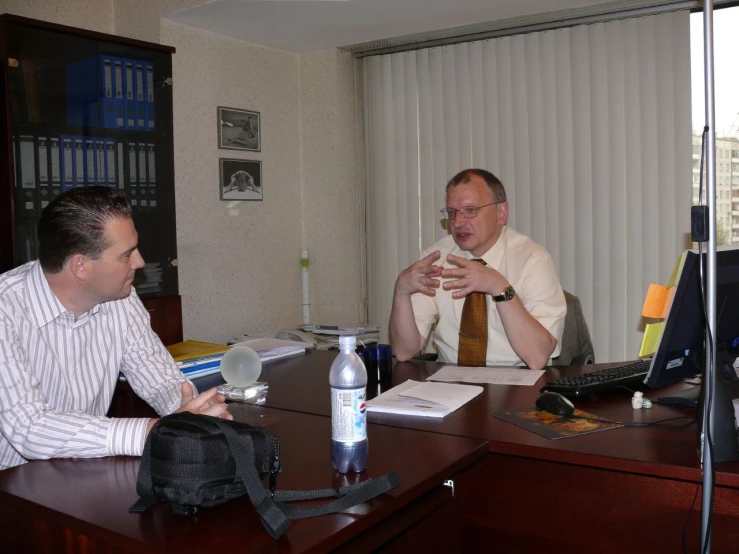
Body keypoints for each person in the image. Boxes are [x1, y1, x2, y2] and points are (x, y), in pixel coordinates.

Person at [0, 187, 231, 470]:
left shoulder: (120, 297)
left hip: (81, 472)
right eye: (126, 254)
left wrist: (192, 413)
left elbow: (158, 377)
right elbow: (30, 428)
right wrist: (153, 432)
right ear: (80, 266)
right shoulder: (5, 310)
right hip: (11, 487)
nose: (140, 262)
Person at [389, 169, 566, 370]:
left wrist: (499, 287)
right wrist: (401, 292)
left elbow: (537, 357)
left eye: (470, 210)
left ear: (501, 213)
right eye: (452, 212)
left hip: (517, 384)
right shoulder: (437, 258)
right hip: (449, 387)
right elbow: (404, 351)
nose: (457, 222)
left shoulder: (532, 261)